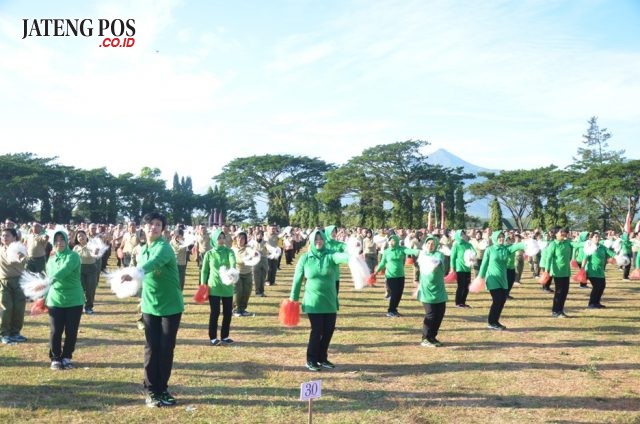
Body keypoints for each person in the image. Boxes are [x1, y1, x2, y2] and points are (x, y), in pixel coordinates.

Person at [122, 212, 184, 407]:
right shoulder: (142, 250)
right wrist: (141, 300)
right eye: (150, 224)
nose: (153, 227)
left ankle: (162, 388)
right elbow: (145, 278)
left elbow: (153, 264)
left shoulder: (164, 248)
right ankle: (150, 390)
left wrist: (134, 273)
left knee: (165, 349)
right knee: (151, 347)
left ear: (162, 229)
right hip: (150, 305)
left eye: (158, 224)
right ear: (144, 227)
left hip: (170, 306)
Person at [289, 230, 349, 371]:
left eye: (321, 238)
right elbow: (297, 280)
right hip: (313, 301)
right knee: (317, 330)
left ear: (324, 240)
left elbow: (343, 257)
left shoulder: (330, 255)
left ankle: (322, 358)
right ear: (311, 240)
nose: (318, 241)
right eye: (316, 239)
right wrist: (293, 299)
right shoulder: (305, 258)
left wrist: (352, 252)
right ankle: (311, 359)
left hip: (329, 301)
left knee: (329, 330)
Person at [45, 230, 84, 370]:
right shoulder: (51, 258)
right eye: (56, 240)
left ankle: (67, 357)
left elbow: (64, 271)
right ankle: (55, 358)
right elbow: (49, 273)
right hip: (55, 299)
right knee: (55, 331)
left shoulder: (73, 256)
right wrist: (44, 297)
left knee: (71, 331)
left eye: (62, 240)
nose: (59, 243)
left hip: (74, 299)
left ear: (67, 241)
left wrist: (48, 281)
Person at [478, 231, 524, 330]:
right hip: (492, 278)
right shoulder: (489, 250)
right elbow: (484, 264)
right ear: (495, 238)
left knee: (502, 300)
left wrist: (529, 243)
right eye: (499, 237)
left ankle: (496, 321)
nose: (501, 239)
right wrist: (480, 278)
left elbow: (517, 246)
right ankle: (491, 322)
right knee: (497, 300)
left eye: (503, 237)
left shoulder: (506, 249)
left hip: (503, 279)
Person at [201, 228, 236, 346]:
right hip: (214, 286)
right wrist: (203, 285)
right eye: (219, 238)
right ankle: (213, 337)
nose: (221, 240)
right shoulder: (209, 254)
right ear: (214, 240)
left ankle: (225, 336)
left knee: (227, 313)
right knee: (215, 312)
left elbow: (233, 262)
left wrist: (232, 270)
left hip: (227, 287)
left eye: (223, 238)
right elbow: (205, 271)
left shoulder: (229, 251)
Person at [375, 234, 420, 317]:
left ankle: (394, 310)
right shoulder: (386, 251)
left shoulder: (401, 249)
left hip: (401, 276)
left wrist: (418, 251)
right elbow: (382, 263)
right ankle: (390, 311)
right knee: (394, 293)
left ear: (396, 241)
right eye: (390, 240)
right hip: (390, 276)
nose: (391, 242)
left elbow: (409, 251)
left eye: (393, 240)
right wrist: (375, 272)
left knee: (399, 294)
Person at [417, 235, 448, 347]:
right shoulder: (422, 256)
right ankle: (425, 338)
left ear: (436, 245)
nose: (430, 246)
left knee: (440, 313)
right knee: (430, 314)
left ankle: (432, 337)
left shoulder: (439, 254)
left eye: (432, 244)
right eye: (428, 244)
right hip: (426, 289)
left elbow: (438, 260)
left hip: (439, 289)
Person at [1, 228, 27, 344]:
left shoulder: (19, 249)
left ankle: (15, 333)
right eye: (3, 235)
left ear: (14, 238)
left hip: (19, 281)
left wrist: (21, 257)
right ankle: (4, 334)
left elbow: (23, 259)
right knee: (6, 308)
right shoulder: (1, 249)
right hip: (4, 281)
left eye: (7, 235)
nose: (4, 238)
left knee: (19, 308)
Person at [541, 228, 573, 318]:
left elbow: (576, 246)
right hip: (557, 272)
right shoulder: (553, 244)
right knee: (559, 292)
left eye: (563, 232)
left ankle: (561, 310)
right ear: (556, 234)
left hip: (566, 271)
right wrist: (546, 271)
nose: (563, 233)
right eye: (560, 232)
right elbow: (548, 258)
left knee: (565, 291)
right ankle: (555, 311)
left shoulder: (567, 243)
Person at [582, 232, 615, 308]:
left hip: (601, 271)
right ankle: (591, 304)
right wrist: (582, 269)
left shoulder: (602, 247)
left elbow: (611, 253)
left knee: (602, 286)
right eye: (595, 236)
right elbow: (585, 258)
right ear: (591, 238)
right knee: (597, 286)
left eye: (598, 236)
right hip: (592, 271)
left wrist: (619, 257)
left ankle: (597, 302)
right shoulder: (589, 247)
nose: (597, 238)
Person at [72, 230, 99, 314]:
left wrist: (95, 252)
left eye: (82, 235)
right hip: (80, 269)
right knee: (80, 289)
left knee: (90, 289)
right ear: (77, 238)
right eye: (79, 236)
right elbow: (72, 259)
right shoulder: (76, 248)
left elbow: (94, 254)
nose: (81, 237)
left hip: (91, 269)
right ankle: (79, 306)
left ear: (86, 236)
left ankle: (89, 307)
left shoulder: (91, 245)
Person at [449, 229, 475, 308]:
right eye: (461, 234)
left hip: (467, 268)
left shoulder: (468, 244)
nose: (463, 236)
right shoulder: (456, 245)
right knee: (461, 286)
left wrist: (472, 257)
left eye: (463, 234)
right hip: (459, 268)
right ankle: (458, 303)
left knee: (467, 286)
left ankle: (463, 302)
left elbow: (474, 252)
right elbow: (452, 258)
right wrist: (452, 268)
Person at [232, 231, 255, 317]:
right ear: (236, 239)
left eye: (243, 238)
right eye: (239, 238)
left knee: (246, 292)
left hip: (248, 272)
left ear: (245, 240)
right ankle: (236, 309)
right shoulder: (233, 249)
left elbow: (254, 256)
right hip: (237, 273)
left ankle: (243, 309)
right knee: (238, 292)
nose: (241, 240)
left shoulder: (249, 248)